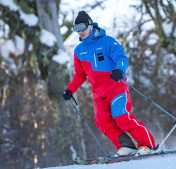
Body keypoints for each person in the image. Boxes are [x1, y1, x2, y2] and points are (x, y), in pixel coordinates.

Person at [62, 11, 156, 155]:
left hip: (116, 87)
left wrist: (119, 69)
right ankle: (126, 146)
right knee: (102, 121)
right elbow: (80, 75)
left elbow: (122, 58)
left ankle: (147, 145)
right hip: (99, 93)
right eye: (77, 29)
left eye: (82, 27)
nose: (80, 32)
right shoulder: (79, 51)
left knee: (121, 116)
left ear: (90, 25)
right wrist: (70, 90)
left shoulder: (107, 41)